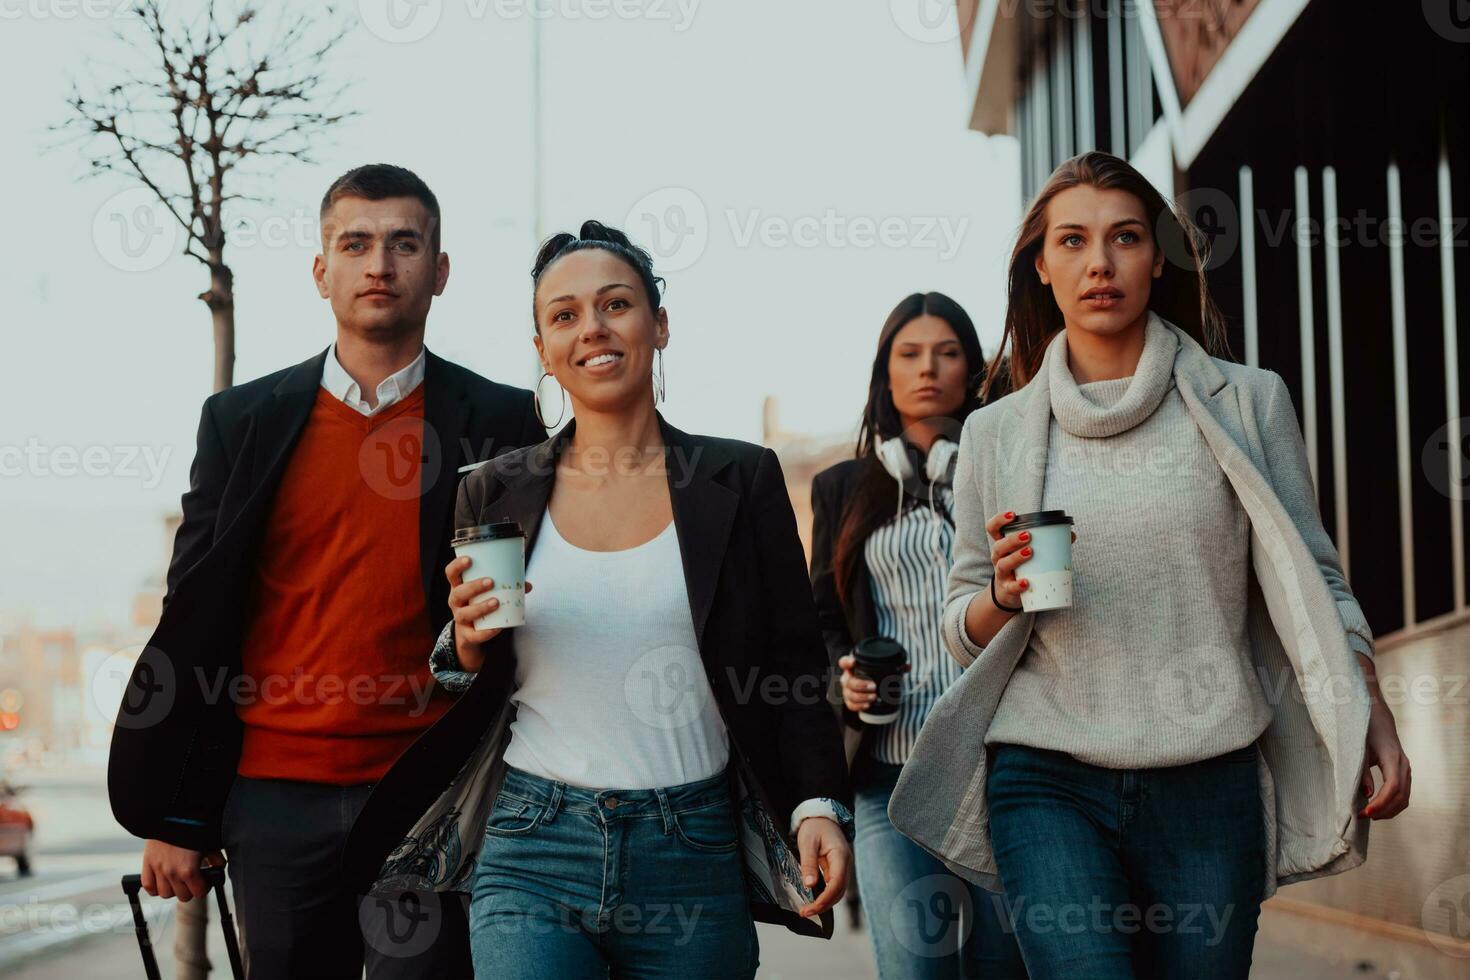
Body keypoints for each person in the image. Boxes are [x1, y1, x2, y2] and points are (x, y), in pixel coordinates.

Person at [887, 151, 1411, 979]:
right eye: (1073, 241)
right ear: (1042, 266)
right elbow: (960, 627)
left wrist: (1371, 706)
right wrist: (1002, 594)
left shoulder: (1247, 400)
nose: (1100, 262)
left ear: (1156, 257)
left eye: (1124, 237)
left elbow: (1319, 577)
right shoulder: (995, 433)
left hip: (1211, 782)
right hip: (1045, 777)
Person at [343, 221, 854, 979]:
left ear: (660, 322)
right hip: (532, 842)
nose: (593, 329)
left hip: (693, 847)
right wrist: (467, 642)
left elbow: (794, 665)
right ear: (545, 348)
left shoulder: (740, 481)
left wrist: (818, 806)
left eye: (616, 304)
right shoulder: (492, 488)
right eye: (564, 315)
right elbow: (452, 667)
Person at [108, 164, 545, 979]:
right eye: (356, 244)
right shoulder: (241, 423)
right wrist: (180, 814)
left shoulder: (500, 419)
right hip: (274, 799)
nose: (379, 264)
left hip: (427, 795)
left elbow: (521, 619)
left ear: (439, 270)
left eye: (404, 244)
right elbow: (197, 622)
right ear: (322, 271)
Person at [810, 292, 1027, 978]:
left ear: (972, 370)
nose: (928, 368)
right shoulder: (843, 487)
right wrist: (841, 676)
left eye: (947, 352)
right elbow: (821, 619)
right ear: (886, 373)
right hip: (890, 780)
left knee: (1003, 968)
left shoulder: (1008, 469)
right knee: (915, 968)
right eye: (909, 354)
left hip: (1004, 769)